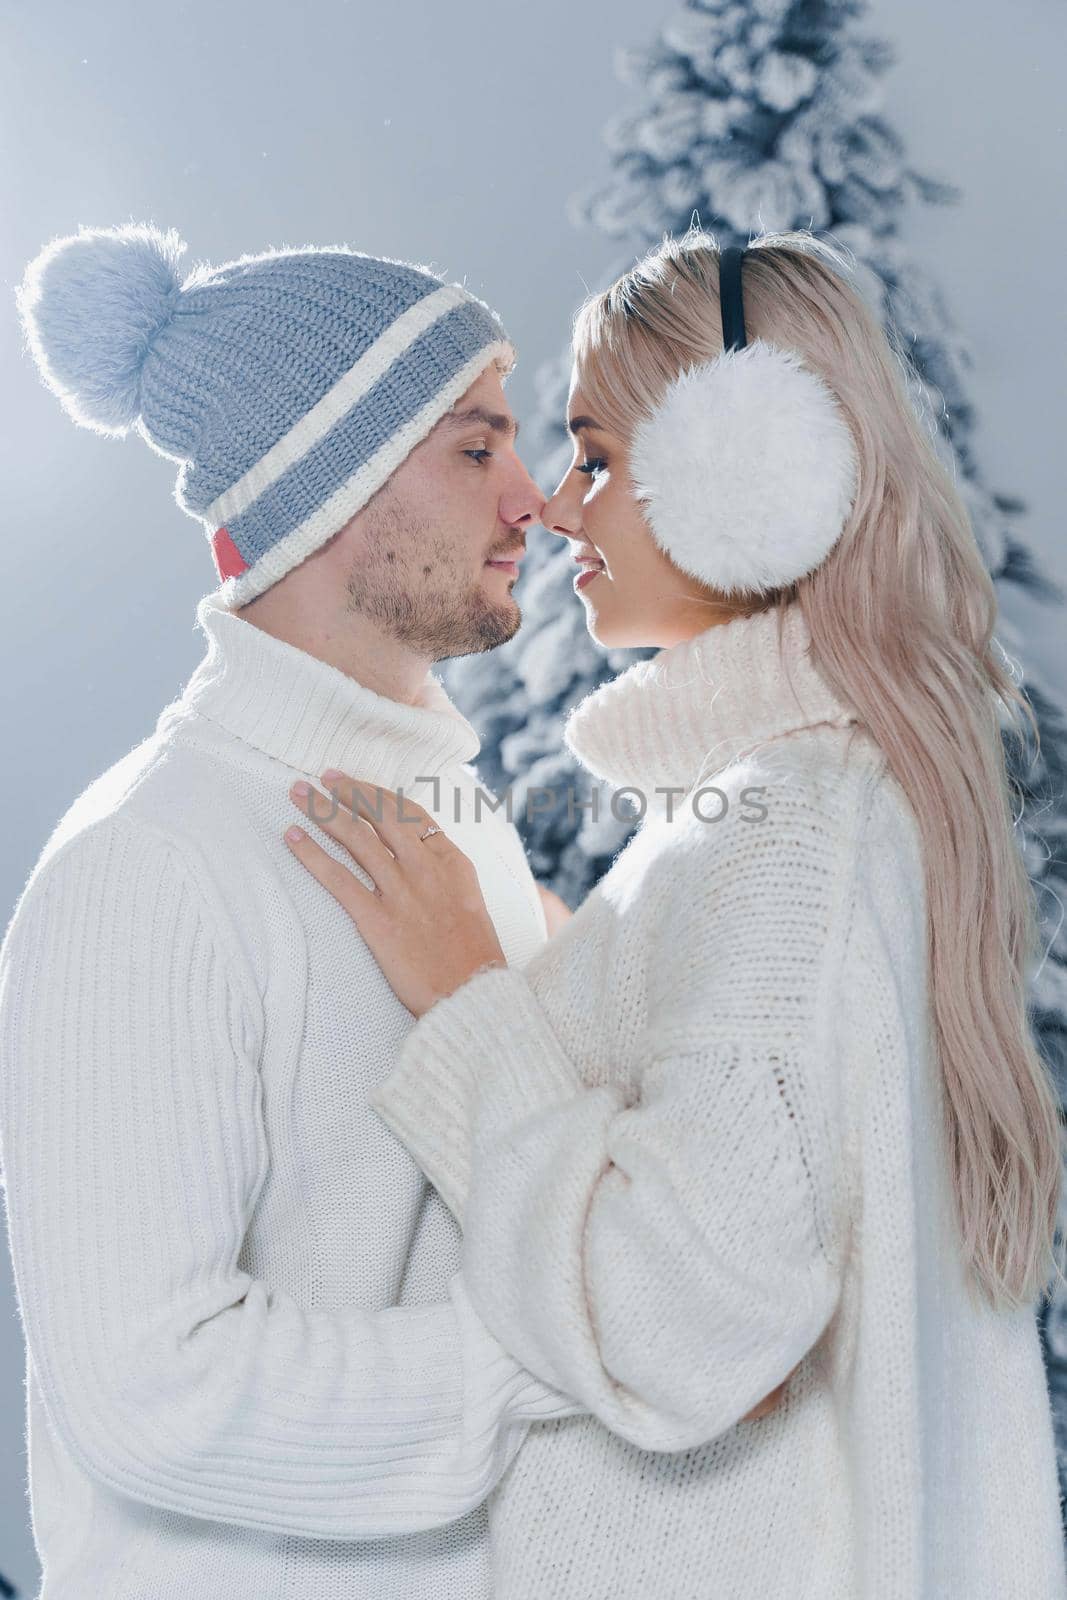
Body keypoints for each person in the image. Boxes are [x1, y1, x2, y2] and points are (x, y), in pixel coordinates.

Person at [283, 228, 1067, 1598]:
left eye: (593, 454)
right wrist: (545, 962)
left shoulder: (781, 837)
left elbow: (681, 1318)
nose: (557, 509)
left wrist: (472, 1003)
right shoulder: (802, 809)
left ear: (746, 474)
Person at [0, 223, 625, 1599]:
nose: (531, 499)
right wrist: (573, 1345)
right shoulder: (148, 868)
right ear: (328, 489)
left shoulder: (455, 825)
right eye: (474, 448)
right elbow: (156, 1389)